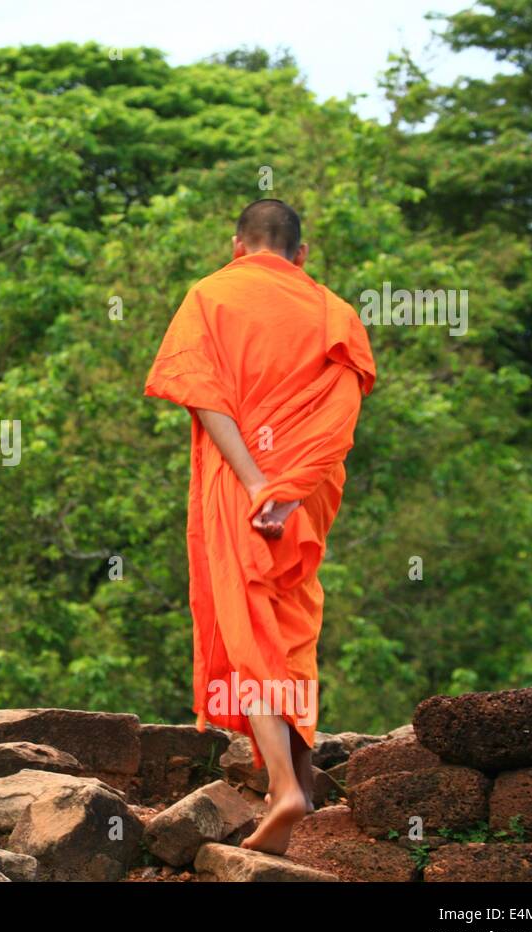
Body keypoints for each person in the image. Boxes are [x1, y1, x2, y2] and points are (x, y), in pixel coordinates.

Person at [144, 199, 375, 854]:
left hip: (249, 488)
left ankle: (286, 787)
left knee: (253, 629)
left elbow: (203, 395)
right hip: (306, 492)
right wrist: (294, 487)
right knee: (292, 621)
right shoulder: (336, 311)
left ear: (237, 245)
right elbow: (341, 414)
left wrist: (257, 482)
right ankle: (294, 783)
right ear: (301, 255)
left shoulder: (211, 295)